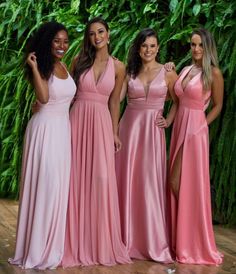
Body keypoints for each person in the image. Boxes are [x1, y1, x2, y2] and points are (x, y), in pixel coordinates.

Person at [61, 17, 131, 267]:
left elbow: (114, 102)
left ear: (108, 34)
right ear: (88, 38)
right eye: (92, 34)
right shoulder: (79, 60)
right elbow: (66, 93)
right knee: (75, 179)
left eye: (101, 31)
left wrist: (114, 133)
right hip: (77, 121)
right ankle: (73, 243)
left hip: (101, 123)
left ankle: (99, 243)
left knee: (101, 180)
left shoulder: (119, 67)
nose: (97, 37)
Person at [8, 22, 76, 269]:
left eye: (65, 41)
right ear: (48, 41)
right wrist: (34, 67)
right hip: (44, 130)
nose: (62, 46)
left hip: (62, 131)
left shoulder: (65, 65)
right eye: (57, 40)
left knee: (58, 190)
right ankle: (36, 250)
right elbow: (44, 98)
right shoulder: (44, 66)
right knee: (46, 186)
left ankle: (50, 246)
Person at [115, 28, 178, 263]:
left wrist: (168, 120)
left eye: (152, 46)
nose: (148, 50)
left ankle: (152, 241)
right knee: (128, 181)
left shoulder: (169, 72)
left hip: (152, 134)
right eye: (144, 46)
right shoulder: (129, 71)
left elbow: (179, 100)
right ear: (138, 48)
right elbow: (117, 98)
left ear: (158, 48)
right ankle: (125, 239)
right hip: (129, 131)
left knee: (149, 183)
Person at [169, 28, 224, 265]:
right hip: (180, 124)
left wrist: (203, 126)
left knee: (178, 181)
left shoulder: (214, 73)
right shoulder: (185, 70)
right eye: (192, 45)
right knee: (176, 182)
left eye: (200, 45)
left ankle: (193, 238)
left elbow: (218, 105)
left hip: (195, 130)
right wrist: (170, 72)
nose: (196, 49)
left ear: (208, 46)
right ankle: (183, 237)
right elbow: (175, 97)